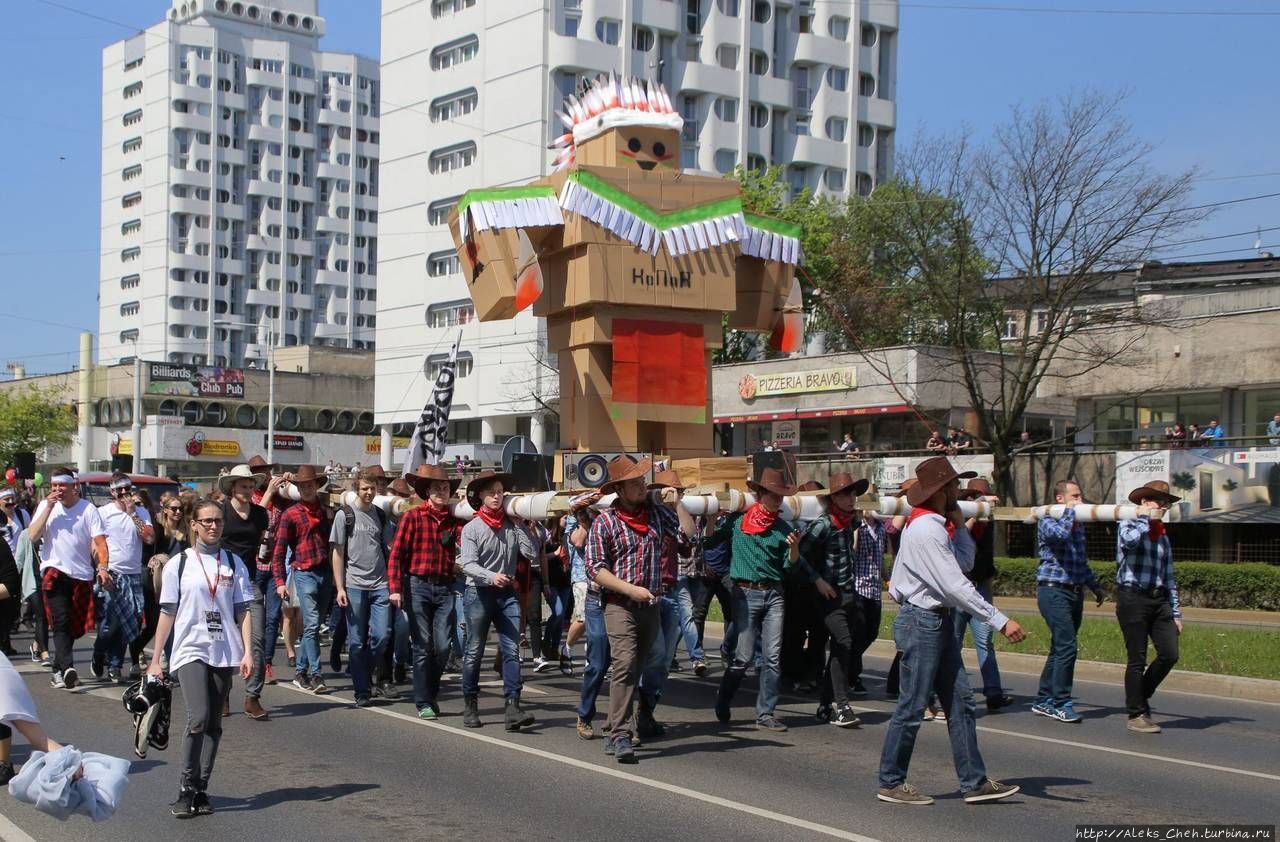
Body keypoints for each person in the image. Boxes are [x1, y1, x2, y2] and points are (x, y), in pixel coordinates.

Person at [876, 456, 1025, 806]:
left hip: (935, 621)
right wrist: (999, 620)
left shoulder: (934, 526)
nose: (959, 491)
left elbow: (966, 564)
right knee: (912, 706)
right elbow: (957, 585)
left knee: (960, 702)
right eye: (955, 486)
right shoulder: (926, 530)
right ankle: (891, 781)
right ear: (942, 491)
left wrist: (958, 523)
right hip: (922, 621)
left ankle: (973, 781)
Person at [148, 498, 254, 818]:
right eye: (206, 521)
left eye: (218, 521)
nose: (213, 526)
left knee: (214, 724)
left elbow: (243, 610)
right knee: (198, 716)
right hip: (189, 648)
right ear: (193, 525)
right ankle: (185, 788)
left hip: (223, 650)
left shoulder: (233, 564)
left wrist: (248, 651)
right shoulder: (179, 564)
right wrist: (155, 658)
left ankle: (201, 789)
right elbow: (167, 612)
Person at [585, 456, 674, 762]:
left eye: (642, 480)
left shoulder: (658, 515)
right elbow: (596, 569)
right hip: (619, 604)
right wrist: (629, 588)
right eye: (635, 482)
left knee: (636, 667)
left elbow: (687, 537)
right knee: (624, 663)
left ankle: (613, 726)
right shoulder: (605, 522)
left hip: (650, 606)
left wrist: (679, 497)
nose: (642, 486)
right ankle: (620, 734)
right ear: (620, 490)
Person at [711, 467, 801, 732]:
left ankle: (766, 712)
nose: (777, 500)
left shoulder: (783, 528)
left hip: (774, 594)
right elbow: (709, 542)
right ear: (760, 494)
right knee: (744, 656)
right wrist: (710, 519)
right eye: (773, 495)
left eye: (781, 496)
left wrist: (794, 547)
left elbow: (789, 567)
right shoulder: (738, 522)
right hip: (745, 594)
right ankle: (724, 698)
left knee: (772, 657)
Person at [458, 469, 537, 731]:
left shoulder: (512, 526)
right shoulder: (472, 528)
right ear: (480, 496)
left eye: (500, 492)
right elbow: (467, 563)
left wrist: (521, 522)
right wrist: (491, 577)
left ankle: (513, 707)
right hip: (479, 593)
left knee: (512, 650)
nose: (496, 496)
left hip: (507, 594)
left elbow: (531, 553)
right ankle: (471, 704)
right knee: (474, 651)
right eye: (491, 492)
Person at [387, 464, 462, 718]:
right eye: (437, 488)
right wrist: (395, 589)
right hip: (417, 585)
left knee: (442, 646)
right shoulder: (413, 517)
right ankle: (423, 702)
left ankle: (429, 690)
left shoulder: (454, 520)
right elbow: (396, 556)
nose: (442, 491)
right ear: (426, 491)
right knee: (423, 645)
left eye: (445, 488)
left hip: (444, 587)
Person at [801, 472, 871, 728]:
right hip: (829, 597)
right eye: (847, 494)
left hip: (849, 595)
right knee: (843, 642)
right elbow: (799, 556)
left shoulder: (849, 522)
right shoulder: (823, 524)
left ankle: (825, 704)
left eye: (854, 494)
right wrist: (818, 581)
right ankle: (841, 706)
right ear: (834, 498)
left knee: (844, 647)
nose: (852, 498)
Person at [27, 469, 108, 690]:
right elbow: (32, 536)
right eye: (54, 486)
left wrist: (102, 566)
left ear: (74, 487)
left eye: (62, 486)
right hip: (54, 571)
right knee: (61, 620)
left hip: (81, 575)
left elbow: (98, 542)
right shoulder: (46, 506)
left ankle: (58, 669)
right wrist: (49, 507)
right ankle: (69, 668)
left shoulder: (89, 509)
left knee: (74, 625)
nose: (57, 490)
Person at [1032, 479, 1105, 724]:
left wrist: (1094, 586)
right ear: (1060, 498)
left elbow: (1079, 561)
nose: (1080, 500)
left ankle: (1044, 699)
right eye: (1074, 496)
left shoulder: (1077, 524)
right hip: (1052, 591)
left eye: (1080, 496)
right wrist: (1071, 512)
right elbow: (1060, 537)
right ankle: (1062, 703)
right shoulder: (1047, 519)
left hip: (1074, 591)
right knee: (1067, 646)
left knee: (1059, 647)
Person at [1115, 481, 1183, 734]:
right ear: (1144, 502)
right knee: (1137, 659)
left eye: (1166, 502)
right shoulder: (1129, 522)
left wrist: (1176, 611)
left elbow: (1169, 575)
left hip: (1159, 600)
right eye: (1159, 501)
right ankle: (1136, 714)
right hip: (1133, 597)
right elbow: (1128, 543)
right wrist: (1144, 519)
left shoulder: (1162, 534)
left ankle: (1139, 696)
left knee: (1170, 653)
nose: (1164, 506)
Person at [332, 468, 397, 708]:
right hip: (355, 585)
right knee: (357, 641)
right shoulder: (345, 515)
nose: (369, 493)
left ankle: (361, 670)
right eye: (364, 489)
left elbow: (390, 548)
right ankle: (362, 690)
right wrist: (340, 587)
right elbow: (338, 554)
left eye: (372, 489)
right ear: (356, 490)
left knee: (382, 635)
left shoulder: (380, 516)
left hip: (380, 584)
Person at [217, 465, 277, 720]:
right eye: (243, 485)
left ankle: (252, 697)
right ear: (232, 487)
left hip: (248, 582)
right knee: (224, 641)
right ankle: (222, 696)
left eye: (251, 486)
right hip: (220, 582)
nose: (248, 490)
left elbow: (265, 542)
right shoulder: (220, 511)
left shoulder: (260, 514)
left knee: (257, 640)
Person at [636, 469, 691, 740]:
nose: (671, 494)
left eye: (677, 491)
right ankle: (631, 713)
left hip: (671, 592)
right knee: (651, 656)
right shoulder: (646, 515)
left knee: (664, 661)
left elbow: (689, 537)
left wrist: (678, 504)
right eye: (669, 490)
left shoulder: (671, 517)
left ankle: (646, 711)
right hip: (647, 594)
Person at [270, 465, 332, 694]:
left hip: (325, 572)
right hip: (304, 572)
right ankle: (317, 675)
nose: (306, 488)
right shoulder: (291, 514)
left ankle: (300, 671)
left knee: (312, 627)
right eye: (302, 485)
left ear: (316, 485)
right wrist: (279, 582)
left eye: (310, 484)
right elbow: (279, 551)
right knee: (313, 624)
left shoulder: (326, 511)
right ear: (298, 487)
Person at [953, 479, 1013, 711]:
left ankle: (993, 692)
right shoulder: (960, 519)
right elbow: (961, 534)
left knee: (985, 641)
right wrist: (975, 512)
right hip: (961, 588)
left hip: (981, 588)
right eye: (973, 498)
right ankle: (954, 691)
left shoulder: (988, 524)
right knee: (953, 643)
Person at [92, 473, 154, 685]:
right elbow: (96, 544)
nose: (122, 493)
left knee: (130, 621)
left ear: (131, 489)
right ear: (112, 492)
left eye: (126, 488)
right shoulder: (103, 513)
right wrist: (102, 568)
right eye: (118, 490)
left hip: (133, 573)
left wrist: (132, 514)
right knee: (111, 622)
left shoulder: (141, 512)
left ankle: (116, 665)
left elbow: (149, 538)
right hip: (112, 572)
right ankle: (99, 652)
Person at [566, 491, 608, 740]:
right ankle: (584, 714)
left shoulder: (617, 515)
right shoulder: (579, 517)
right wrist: (586, 515)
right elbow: (578, 541)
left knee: (630, 665)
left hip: (623, 595)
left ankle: (621, 722)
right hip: (592, 589)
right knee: (598, 662)